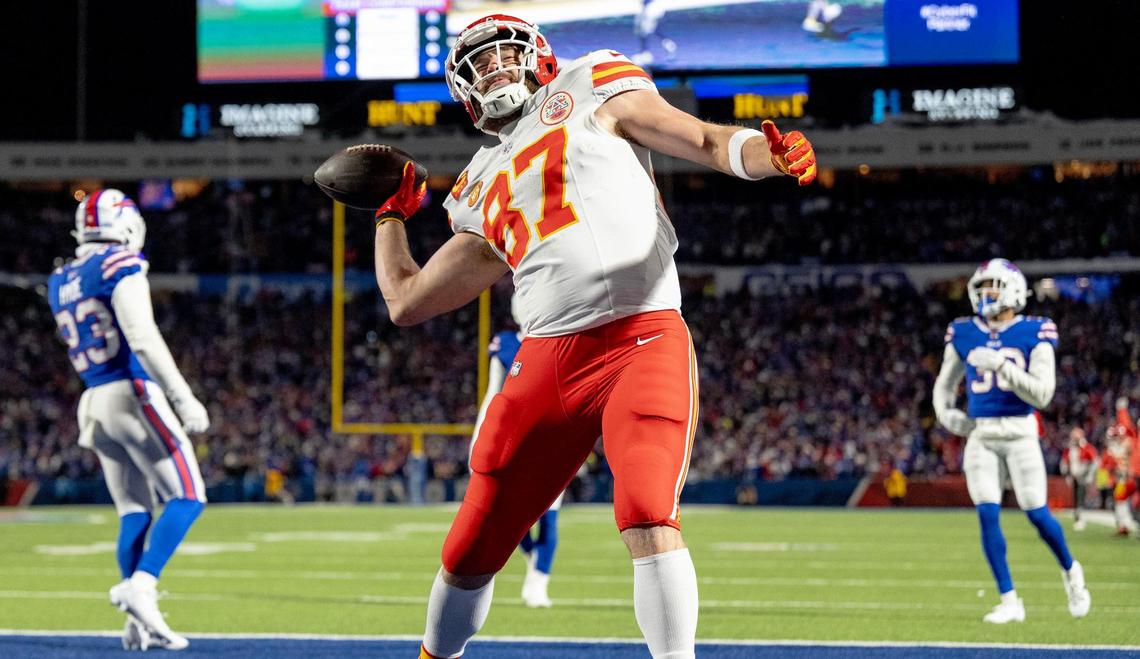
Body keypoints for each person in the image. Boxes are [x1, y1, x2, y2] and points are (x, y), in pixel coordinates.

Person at [367, 14, 816, 659]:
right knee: (471, 546)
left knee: (646, 508)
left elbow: (705, 141)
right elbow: (406, 300)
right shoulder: (476, 183)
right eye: (480, 64)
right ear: (464, 90)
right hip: (546, 357)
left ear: (539, 59)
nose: (495, 68)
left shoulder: (592, 81)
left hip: (642, 334)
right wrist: (389, 217)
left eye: (505, 55)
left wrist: (762, 156)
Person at [47, 189, 210, 650]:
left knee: (134, 509)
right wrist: (183, 397)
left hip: (94, 398)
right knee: (189, 496)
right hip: (133, 393)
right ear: (126, 224)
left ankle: (137, 624)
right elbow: (140, 336)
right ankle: (142, 585)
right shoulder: (119, 263)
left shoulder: (61, 278)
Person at [932, 258, 1091, 624]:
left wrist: (1003, 367)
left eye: (994, 287)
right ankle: (1009, 600)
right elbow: (943, 385)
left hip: (1020, 430)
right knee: (987, 512)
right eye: (982, 287)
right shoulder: (964, 331)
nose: (986, 294)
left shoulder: (1035, 330)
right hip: (982, 433)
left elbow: (1043, 394)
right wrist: (946, 413)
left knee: (1036, 512)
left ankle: (1071, 572)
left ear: (1014, 290)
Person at [472, 295, 562, 608]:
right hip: (512, 440)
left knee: (550, 516)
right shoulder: (506, 343)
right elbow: (492, 396)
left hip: (550, 441)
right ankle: (533, 557)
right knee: (508, 516)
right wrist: (479, 437)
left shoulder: (559, 341)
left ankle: (538, 586)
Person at [1060, 427, 1097, 530]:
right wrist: (1067, 475)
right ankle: (1077, 518)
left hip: (1083, 476)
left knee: (1081, 498)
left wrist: (1089, 475)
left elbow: (1094, 461)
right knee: (1076, 499)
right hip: (1074, 476)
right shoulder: (1070, 448)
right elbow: (1065, 462)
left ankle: (1081, 519)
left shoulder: (1086, 447)